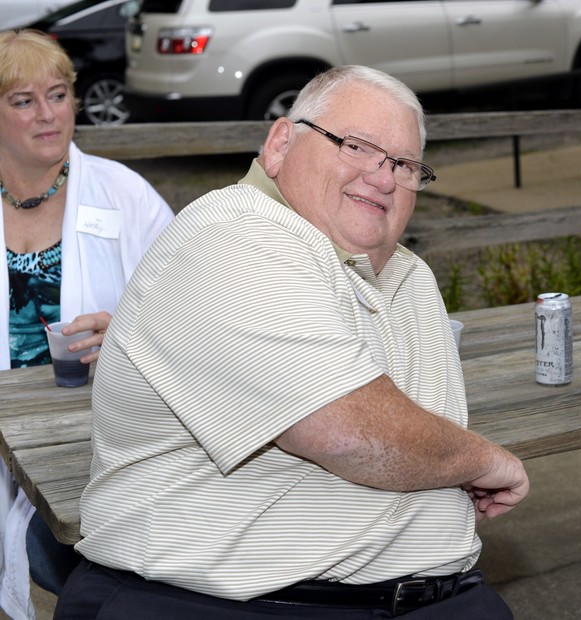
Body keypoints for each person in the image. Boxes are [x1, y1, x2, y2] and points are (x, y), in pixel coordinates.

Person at [54, 65, 530, 619]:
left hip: (430, 596)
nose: (382, 178)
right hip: (228, 604)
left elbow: (406, 444)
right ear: (281, 144)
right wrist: (481, 461)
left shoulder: (409, 276)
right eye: (357, 146)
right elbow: (347, 429)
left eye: (403, 165)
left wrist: (444, 474)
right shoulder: (234, 236)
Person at [0, 29, 174, 617]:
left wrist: (128, 332)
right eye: (23, 101)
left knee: (70, 565)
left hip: (95, 442)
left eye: (58, 95)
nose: (48, 114)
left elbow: (193, 313)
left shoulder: (125, 195)